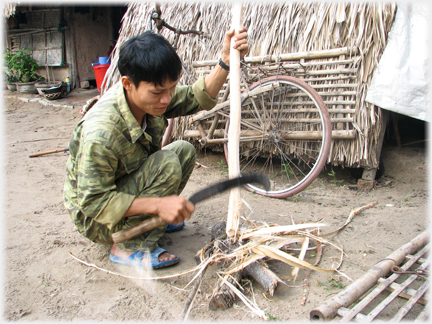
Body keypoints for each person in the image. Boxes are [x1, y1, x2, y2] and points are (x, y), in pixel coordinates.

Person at [63, 27, 249, 269]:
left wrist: (225, 61)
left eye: (171, 89)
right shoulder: (102, 132)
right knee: (168, 164)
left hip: (122, 190)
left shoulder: (151, 99)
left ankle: (148, 220)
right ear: (128, 84)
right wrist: (159, 205)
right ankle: (127, 246)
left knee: (183, 151)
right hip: (96, 220)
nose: (167, 99)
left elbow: (196, 96)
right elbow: (93, 203)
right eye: (158, 92)